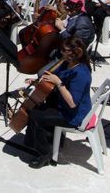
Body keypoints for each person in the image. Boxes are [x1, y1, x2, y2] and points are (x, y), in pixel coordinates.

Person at [17, 36, 94, 168]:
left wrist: (58, 83)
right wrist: (38, 82)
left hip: (72, 115)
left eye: (65, 50)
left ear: (74, 53)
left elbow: (72, 103)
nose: (61, 52)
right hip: (62, 105)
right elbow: (51, 78)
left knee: (36, 117)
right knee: (36, 107)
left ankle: (44, 155)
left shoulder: (81, 74)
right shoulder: (66, 63)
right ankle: (40, 140)